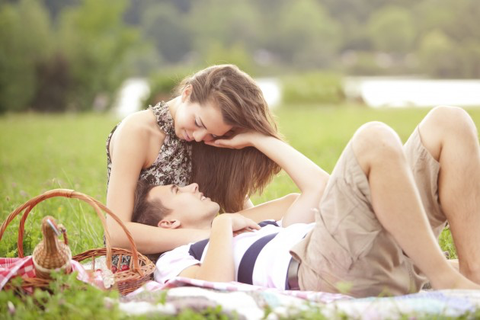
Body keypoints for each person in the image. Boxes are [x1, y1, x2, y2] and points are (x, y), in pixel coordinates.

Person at [132, 106, 480, 297]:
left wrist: (257, 137)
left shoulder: (249, 224)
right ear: (167, 222)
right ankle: (444, 279)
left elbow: (319, 189)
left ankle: (472, 274)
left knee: (449, 121)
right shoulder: (179, 257)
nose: (192, 186)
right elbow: (215, 290)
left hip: (369, 251)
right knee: (373, 137)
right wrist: (223, 224)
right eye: (177, 191)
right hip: (324, 269)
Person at [105, 64, 287, 256]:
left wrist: (256, 139)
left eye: (212, 134)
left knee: (291, 204)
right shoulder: (137, 132)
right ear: (187, 93)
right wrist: (211, 235)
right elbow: (117, 234)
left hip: (202, 246)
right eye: (198, 123)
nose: (200, 137)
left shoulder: (210, 139)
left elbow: (242, 211)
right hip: (143, 259)